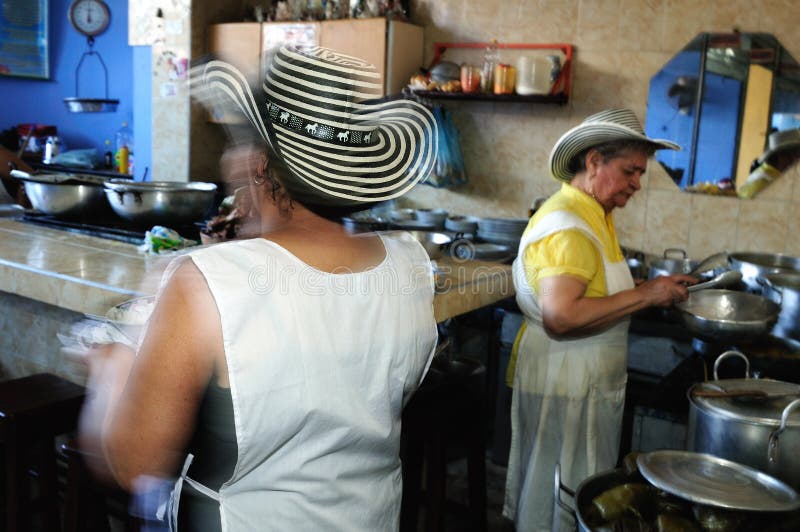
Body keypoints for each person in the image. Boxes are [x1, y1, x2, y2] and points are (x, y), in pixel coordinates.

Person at [79, 46, 439, 531]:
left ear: (259, 165)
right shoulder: (410, 262)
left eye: (235, 144)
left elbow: (132, 462)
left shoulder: (204, 281)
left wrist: (111, 364)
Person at [502, 109, 696, 531]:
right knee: (559, 495)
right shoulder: (569, 226)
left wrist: (651, 286)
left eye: (640, 174)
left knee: (571, 490)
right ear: (594, 162)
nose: (636, 184)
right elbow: (562, 315)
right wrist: (645, 295)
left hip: (580, 379)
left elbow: (592, 287)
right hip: (567, 381)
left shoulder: (592, 213)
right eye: (630, 171)